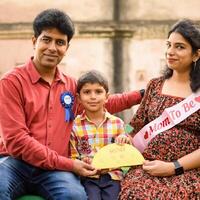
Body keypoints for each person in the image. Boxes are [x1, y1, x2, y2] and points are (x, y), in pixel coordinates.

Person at [0, 8, 143, 200]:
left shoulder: (70, 85)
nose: (52, 48)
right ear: (34, 41)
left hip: (54, 170)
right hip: (16, 163)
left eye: (60, 42)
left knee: (74, 196)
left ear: (66, 48)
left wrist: (142, 94)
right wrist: (69, 164)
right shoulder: (11, 82)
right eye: (46, 39)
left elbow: (100, 103)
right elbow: (17, 141)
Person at [119, 19, 200, 199]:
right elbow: (136, 123)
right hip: (147, 167)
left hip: (187, 172)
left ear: (196, 55)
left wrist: (173, 167)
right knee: (135, 193)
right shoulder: (155, 85)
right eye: (169, 45)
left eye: (179, 47)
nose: (170, 52)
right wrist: (125, 134)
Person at [69, 70, 131, 200]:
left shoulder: (117, 123)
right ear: (79, 98)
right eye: (87, 92)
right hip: (88, 177)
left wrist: (124, 140)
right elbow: (73, 155)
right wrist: (81, 161)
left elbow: (125, 153)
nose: (93, 97)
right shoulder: (75, 126)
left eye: (98, 92)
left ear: (107, 97)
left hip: (112, 176)